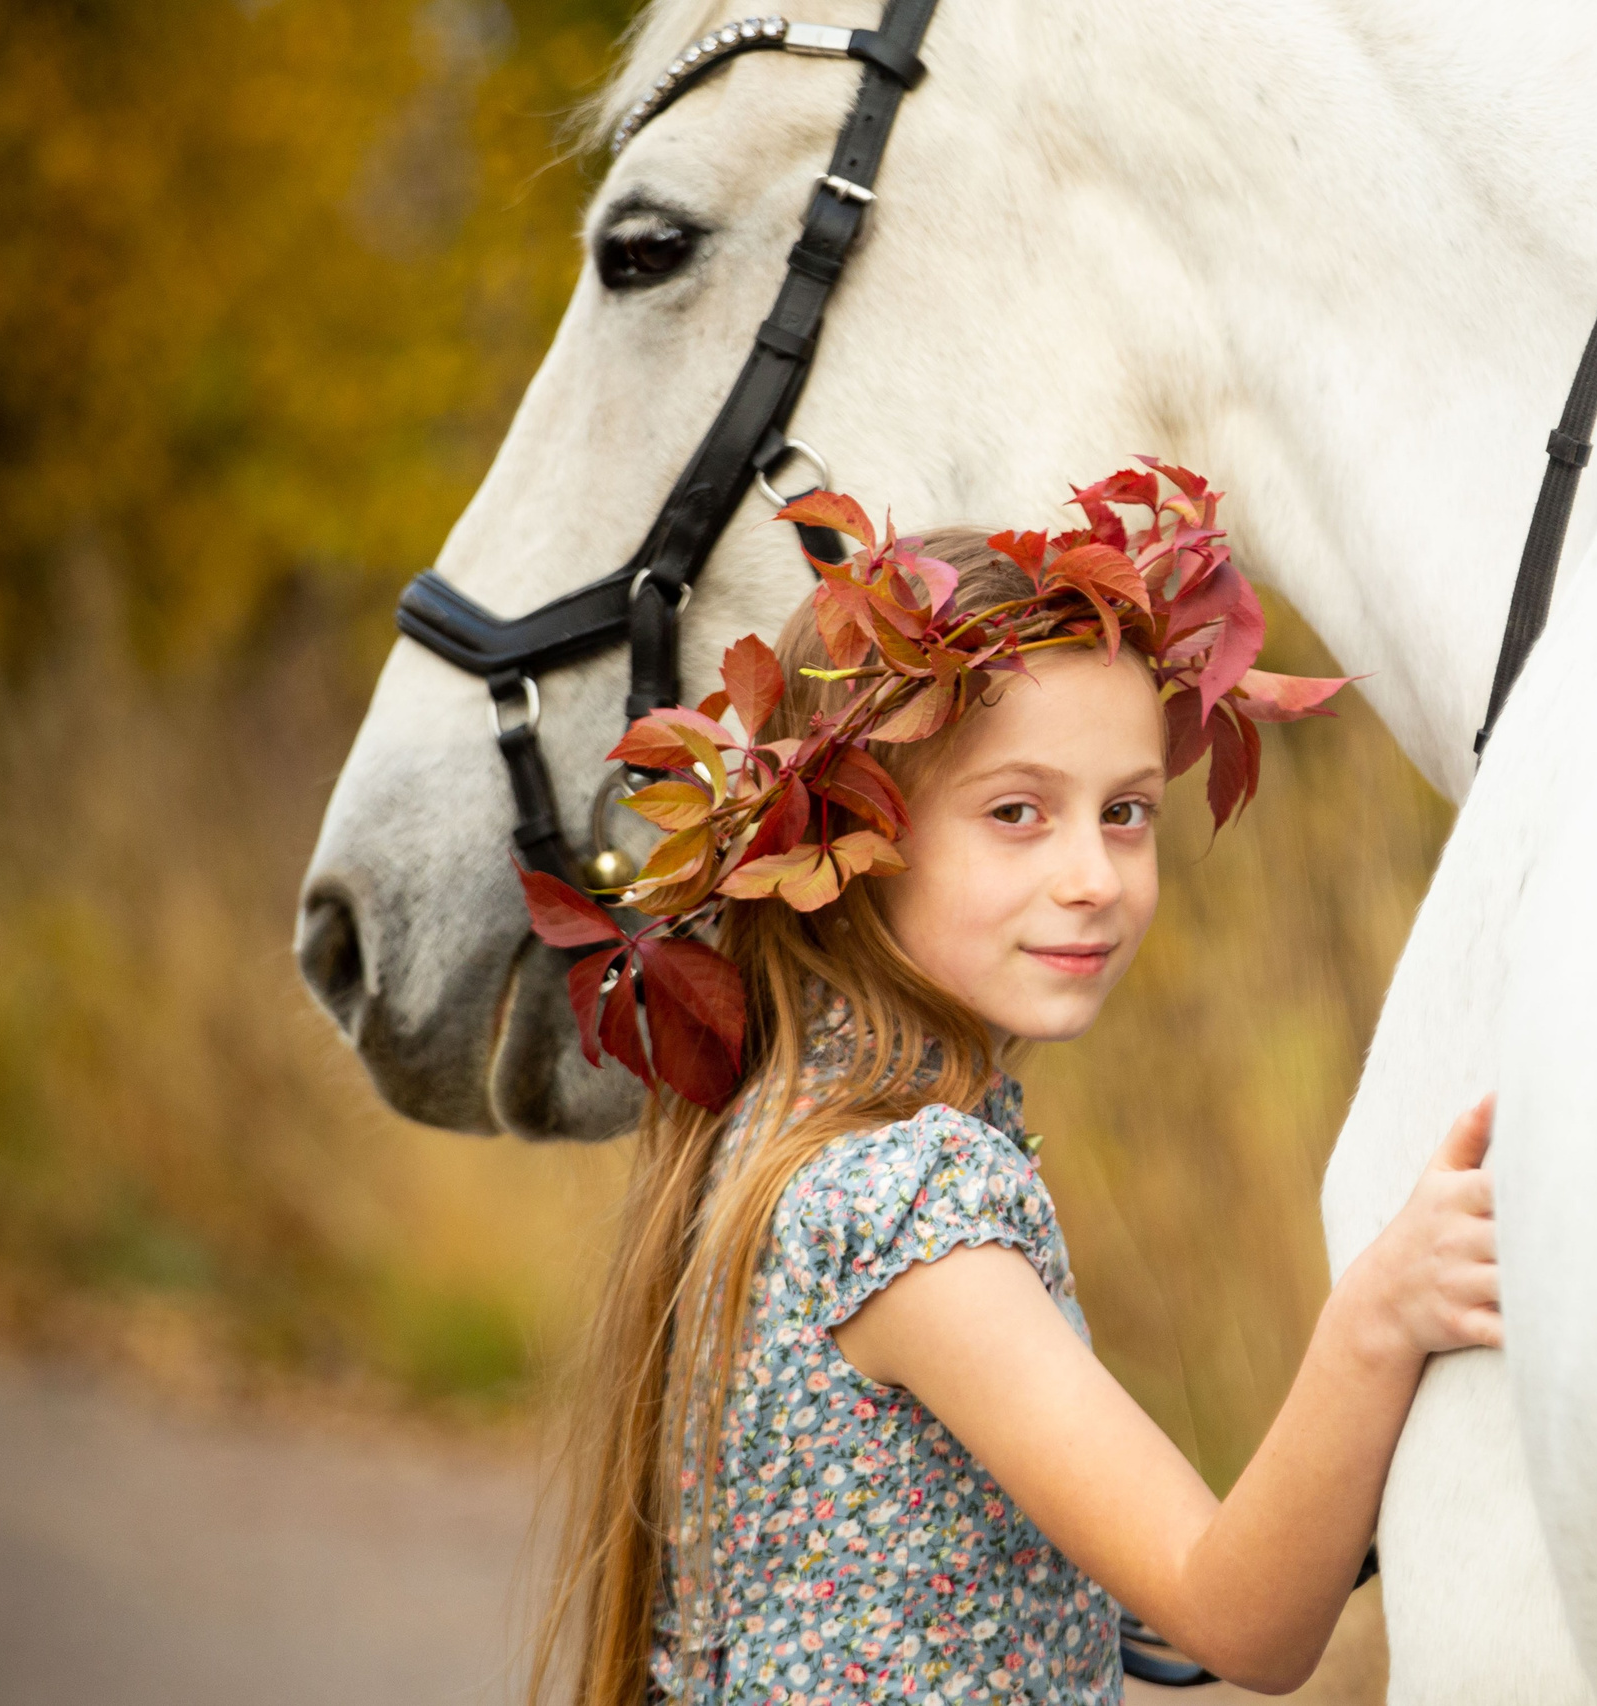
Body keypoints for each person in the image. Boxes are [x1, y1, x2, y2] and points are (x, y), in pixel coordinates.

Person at [529, 470, 1498, 1706]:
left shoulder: (780, 1112)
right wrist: (1379, 1313)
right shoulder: (910, 1193)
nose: (1096, 873)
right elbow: (1236, 1617)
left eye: (1128, 810)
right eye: (1017, 810)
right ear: (853, 840)